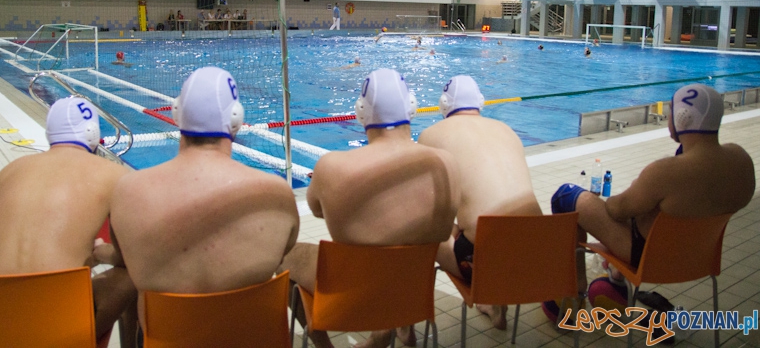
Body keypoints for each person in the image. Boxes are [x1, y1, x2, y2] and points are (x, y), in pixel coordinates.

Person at [110, 67, 299, 335]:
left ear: (176, 113)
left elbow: (121, 256)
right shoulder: (276, 192)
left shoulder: (127, 190)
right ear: (236, 119)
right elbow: (284, 249)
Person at [278, 68, 459, 348]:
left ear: (361, 111)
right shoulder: (445, 164)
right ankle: (396, 324)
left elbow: (316, 210)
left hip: (353, 295)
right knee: (409, 244)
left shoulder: (332, 167)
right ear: (412, 107)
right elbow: (445, 229)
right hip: (410, 292)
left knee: (284, 259)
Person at [550, 83, 755, 309]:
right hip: (699, 258)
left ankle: (573, 292)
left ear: (681, 118)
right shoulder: (741, 160)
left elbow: (616, 209)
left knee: (566, 197)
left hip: (649, 259)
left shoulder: (666, 173)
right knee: (647, 210)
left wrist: (639, 187)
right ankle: (616, 281)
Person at [0, 97, 137, 347]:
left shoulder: (8, 172)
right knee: (134, 275)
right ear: (94, 134)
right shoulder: (114, 174)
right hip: (57, 329)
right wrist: (99, 254)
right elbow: (134, 259)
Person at [418, 76, 542, 330]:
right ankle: (496, 306)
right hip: (539, 259)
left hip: (483, 264)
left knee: (420, 226)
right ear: (480, 102)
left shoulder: (431, 135)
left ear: (443, 104)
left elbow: (427, 203)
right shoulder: (506, 129)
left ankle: (403, 324)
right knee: (484, 227)